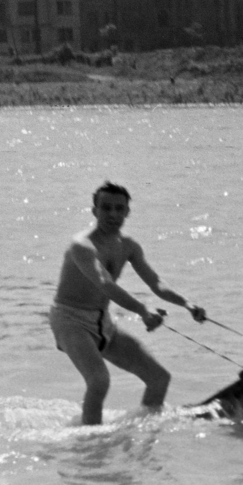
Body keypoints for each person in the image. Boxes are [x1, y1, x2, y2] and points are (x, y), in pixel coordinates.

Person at [49, 181, 206, 425]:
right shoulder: (82, 246)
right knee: (99, 380)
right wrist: (143, 311)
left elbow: (155, 283)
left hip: (103, 322)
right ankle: (91, 442)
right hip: (70, 320)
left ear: (127, 212)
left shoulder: (129, 246)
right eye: (106, 208)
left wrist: (187, 304)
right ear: (94, 211)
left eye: (119, 209)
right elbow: (105, 284)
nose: (113, 214)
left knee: (159, 378)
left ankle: (146, 429)